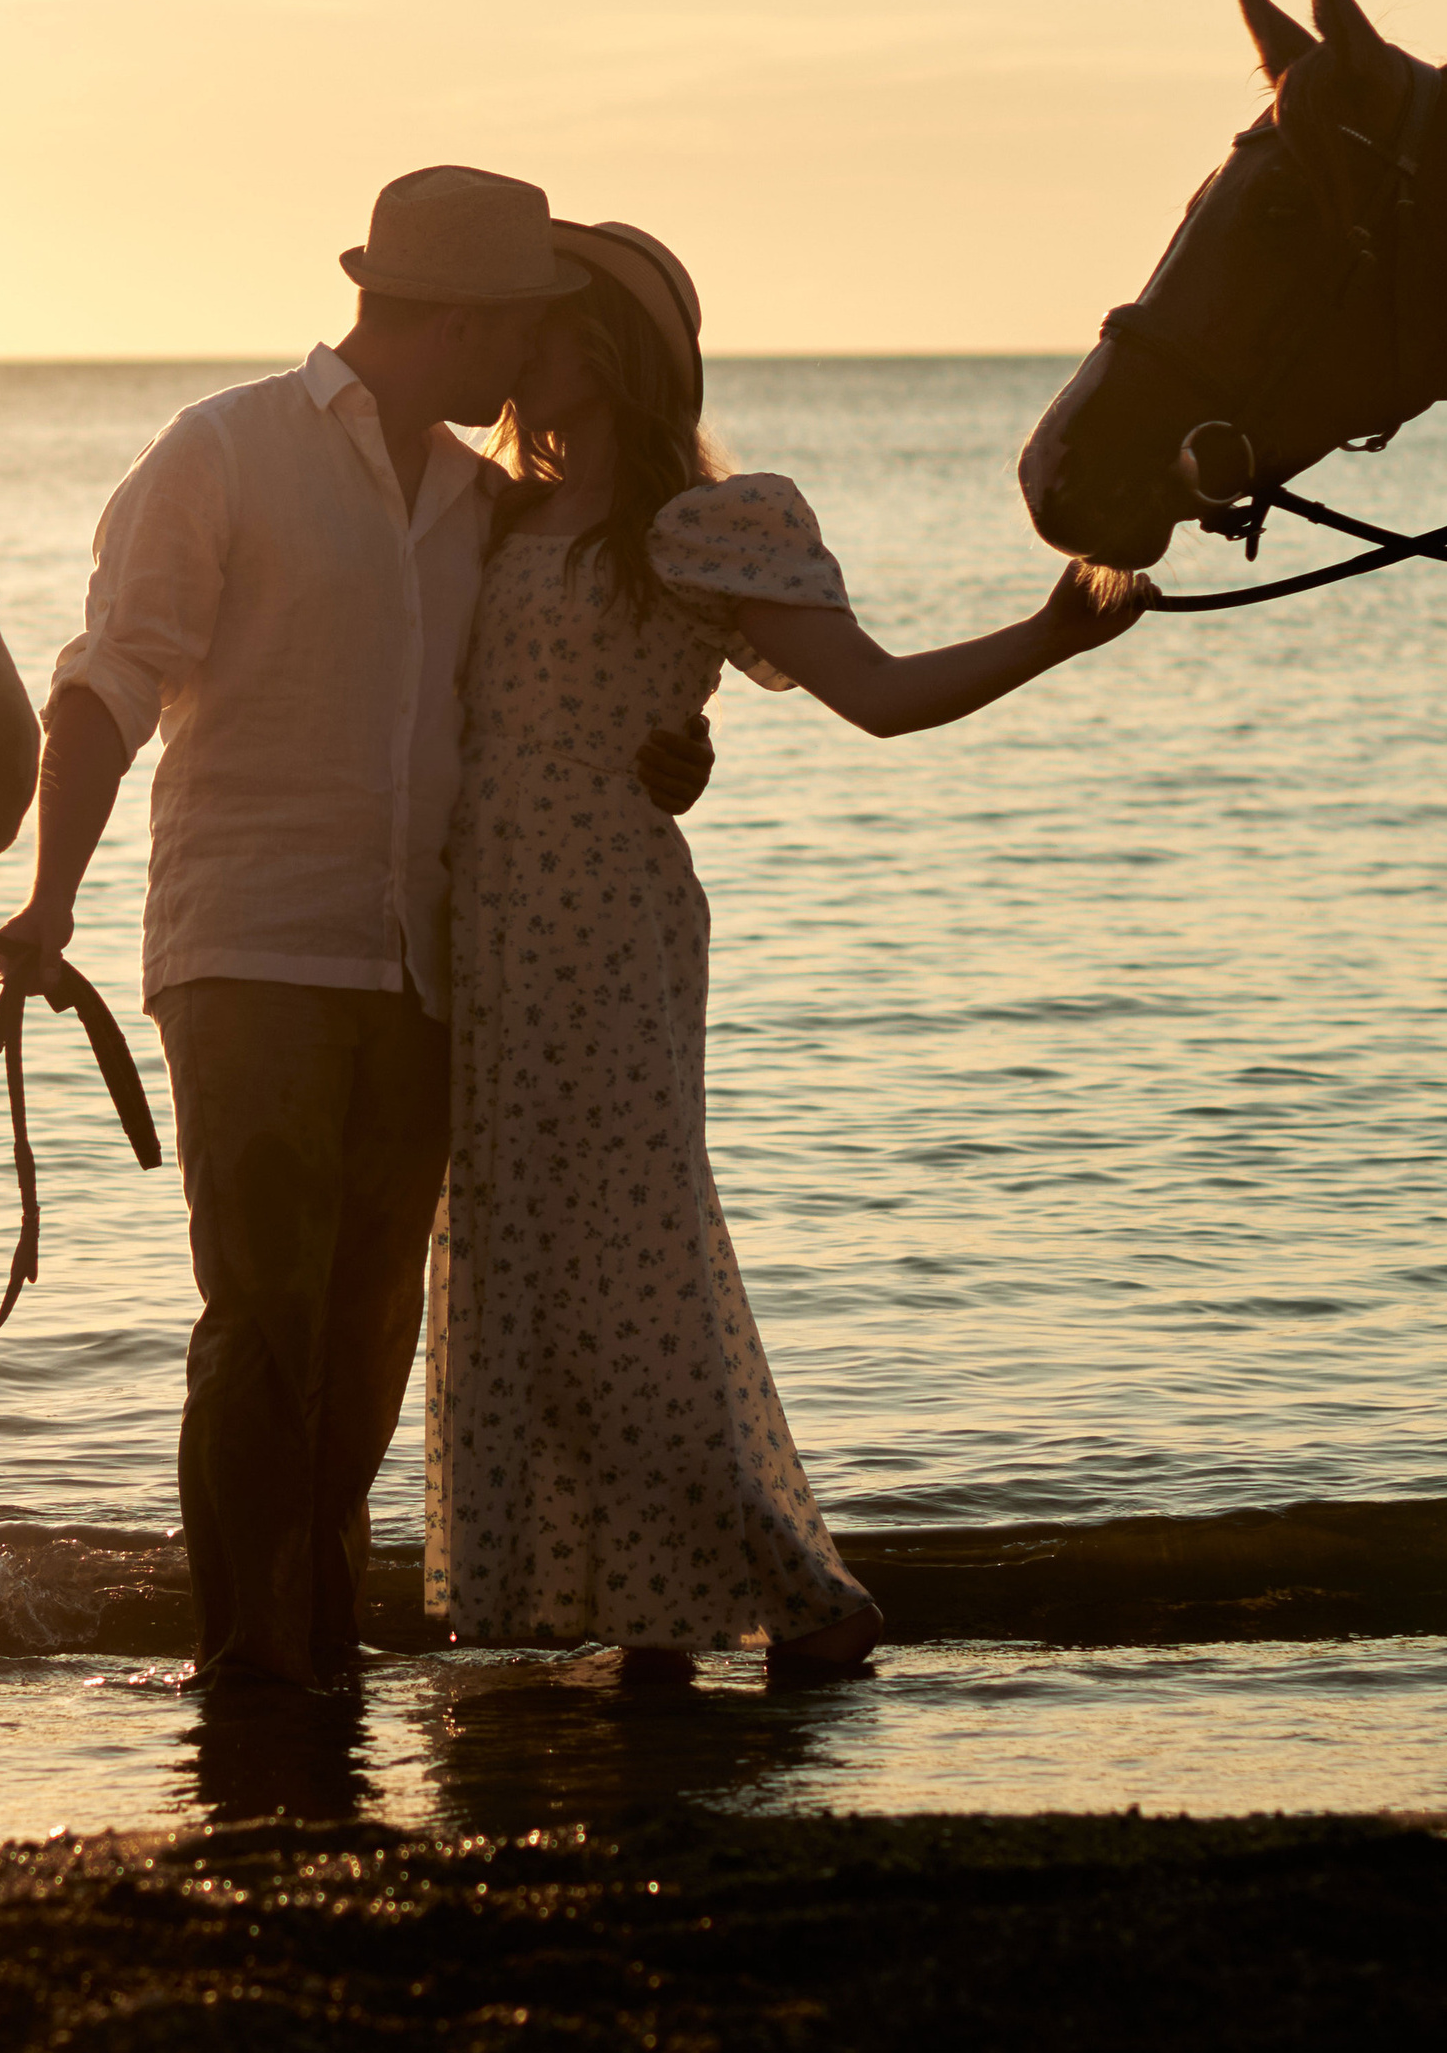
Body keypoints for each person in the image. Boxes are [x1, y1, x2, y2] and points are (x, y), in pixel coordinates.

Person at [1, 167, 712, 1691]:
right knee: (263, 1313)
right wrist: (51, 895)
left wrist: (669, 748)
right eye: (514, 325)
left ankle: (312, 1639)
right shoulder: (224, 453)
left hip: (426, 966)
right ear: (451, 315)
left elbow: (558, 687)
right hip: (252, 944)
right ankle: (247, 1654)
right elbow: (109, 679)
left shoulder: (485, 505)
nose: (526, 360)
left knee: (373, 1324)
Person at [426, 220, 1148, 1677]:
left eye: (546, 329)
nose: (516, 357)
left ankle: (803, 1597)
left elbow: (875, 694)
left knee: (630, 1272)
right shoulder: (483, 512)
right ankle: (652, 1615)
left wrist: (1047, 637)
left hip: (607, 930)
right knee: (522, 1277)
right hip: (477, 934)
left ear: (617, 354)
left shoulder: (701, 526)